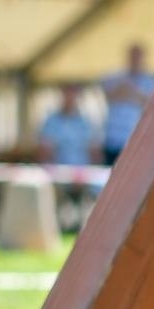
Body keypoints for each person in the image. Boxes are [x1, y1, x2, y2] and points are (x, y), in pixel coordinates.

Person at [38, 83, 102, 230]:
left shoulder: (86, 123)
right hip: (59, 172)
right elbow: (45, 152)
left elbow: (95, 152)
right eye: (67, 93)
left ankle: (91, 224)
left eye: (73, 94)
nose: (70, 98)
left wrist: (85, 172)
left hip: (83, 172)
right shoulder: (52, 122)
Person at [99, 43, 154, 165]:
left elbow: (150, 103)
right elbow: (108, 94)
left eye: (138, 56)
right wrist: (134, 95)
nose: (135, 59)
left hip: (136, 140)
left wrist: (130, 93)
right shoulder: (115, 77)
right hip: (114, 140)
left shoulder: (150, 81)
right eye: (133, 56)